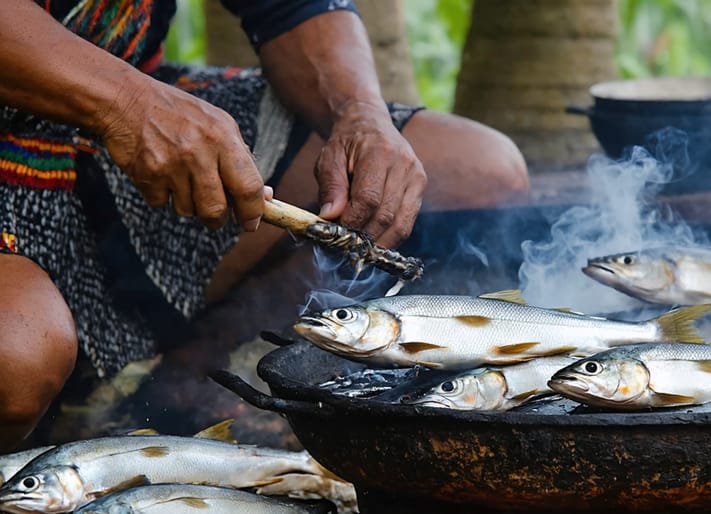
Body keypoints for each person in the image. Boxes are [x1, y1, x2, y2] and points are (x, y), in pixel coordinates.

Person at [0, 0, 529, 449]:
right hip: (88, 110)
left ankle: (184, 383)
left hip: (123, 105)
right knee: (15, 360)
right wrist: (129, 103)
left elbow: (291, 8)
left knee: (476, 172)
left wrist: (361, 114)